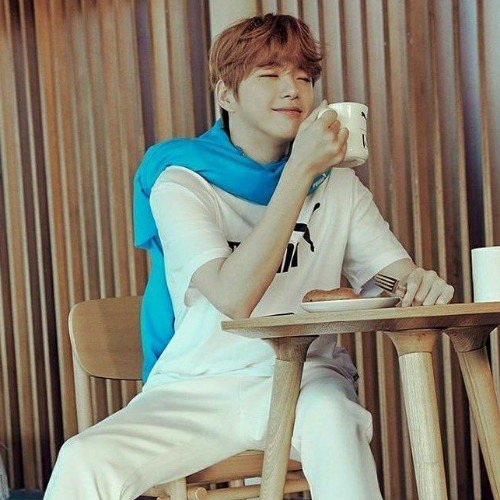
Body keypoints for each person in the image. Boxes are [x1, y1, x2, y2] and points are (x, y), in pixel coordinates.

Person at [44, 13, 454, 499]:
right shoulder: (180, 180)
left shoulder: (338, 184)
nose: (292, 89)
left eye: (304, 77)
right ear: (226, 94)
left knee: (334, 420)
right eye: (270, 74)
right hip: (196, 386)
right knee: (84, 459)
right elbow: (235, 297)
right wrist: (299, 172)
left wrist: (416, 284)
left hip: (304, 379)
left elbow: (391, 277)